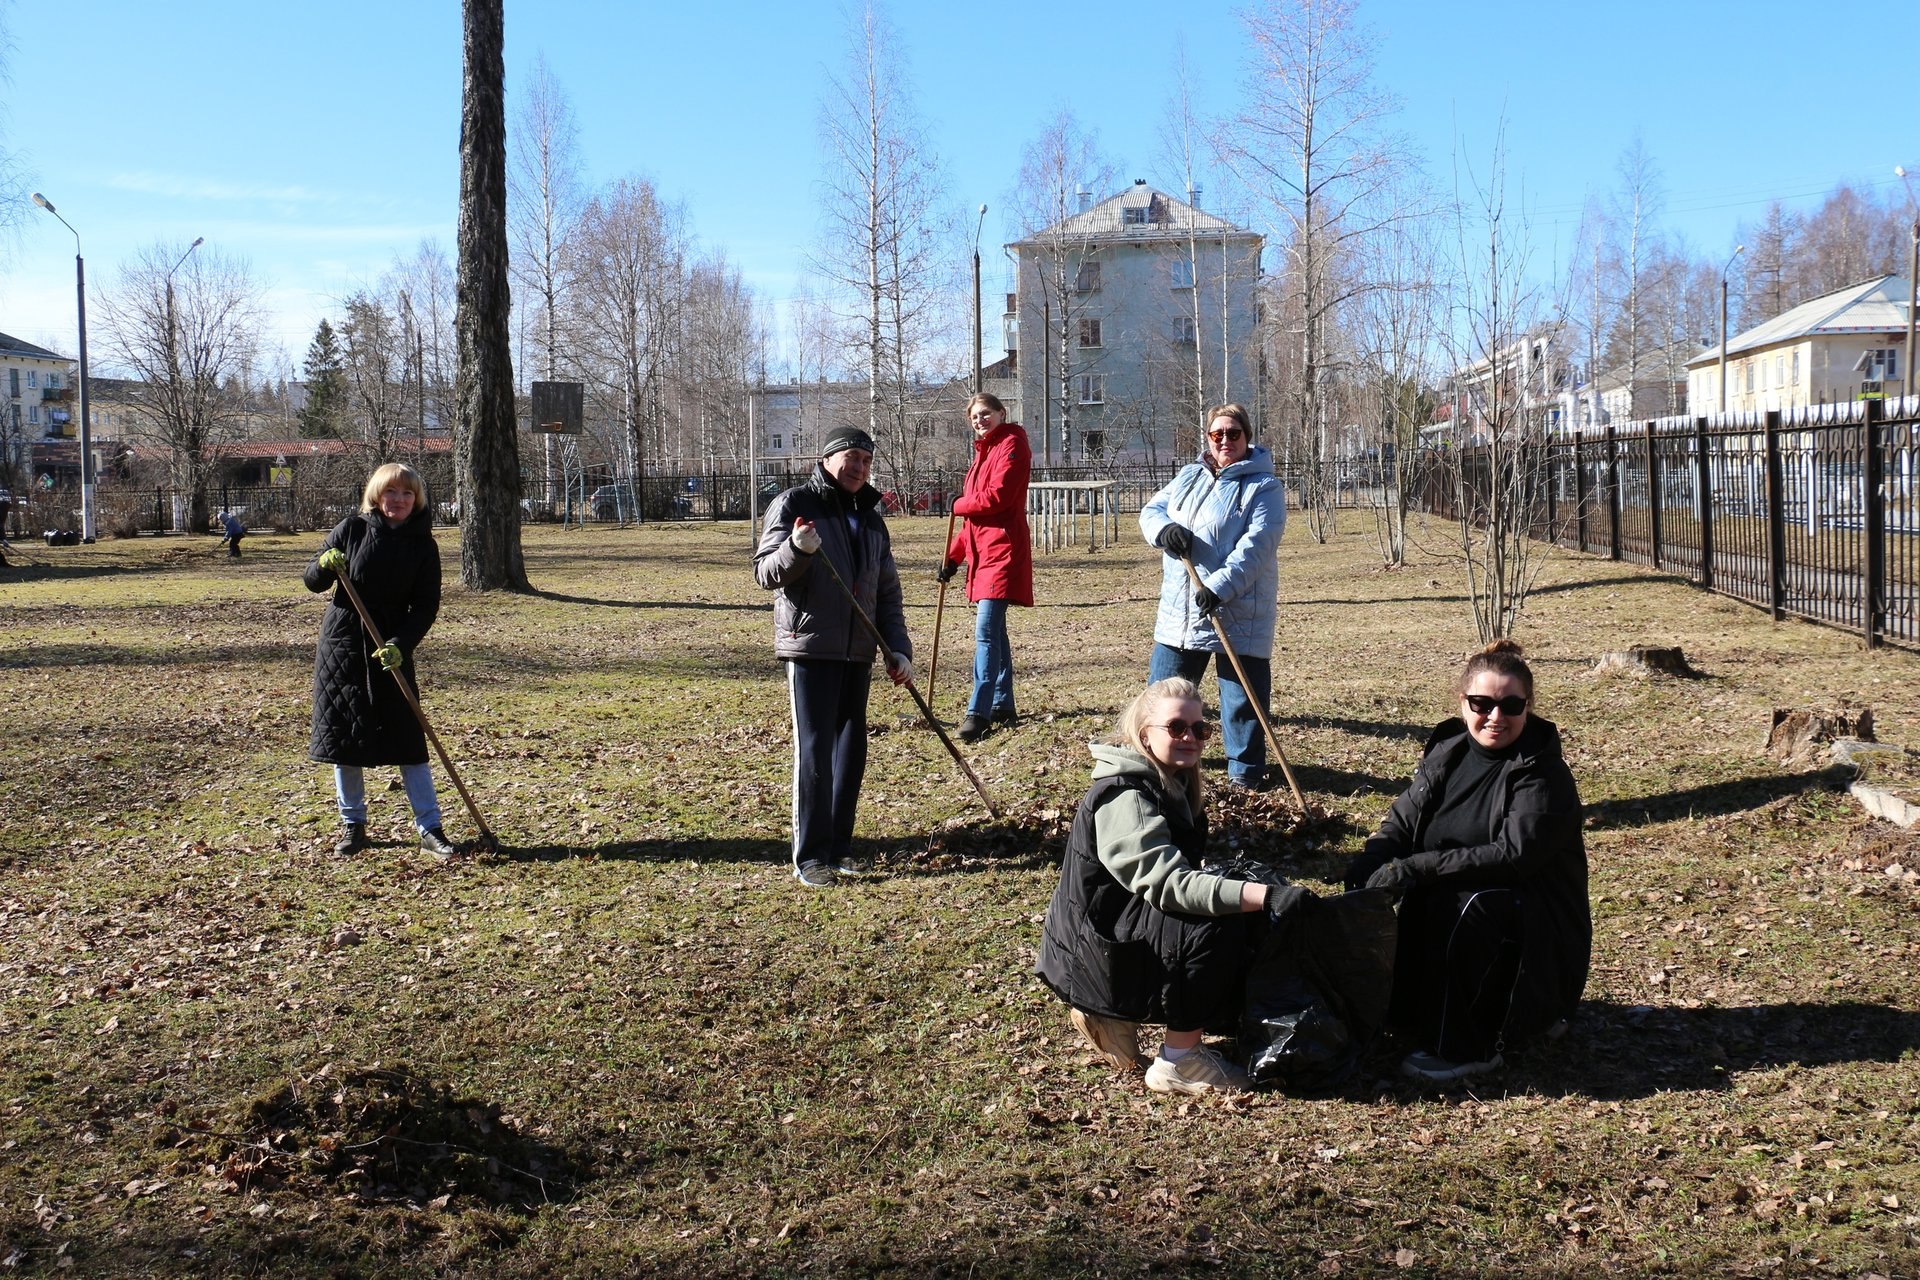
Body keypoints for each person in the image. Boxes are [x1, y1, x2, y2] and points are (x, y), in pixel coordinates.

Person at [1036, 677, 1315, 1095]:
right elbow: (1166, 883)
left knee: (1234, 899)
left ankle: (1115, 1017)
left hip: (1114, 937)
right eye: (1176, 728)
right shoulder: (1126, 795)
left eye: (1200, 729)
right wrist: (1262, 897)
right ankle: (1179, 1061)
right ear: (1144, 733)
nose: (1191, 737)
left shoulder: (1172, 781)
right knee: (1220, 918)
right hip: (1094, 954)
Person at [1343, 640, 1589, 1084]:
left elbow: (1514, 857)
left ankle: (1474, 1046)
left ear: (1528, 707)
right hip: (1448, 897)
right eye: (1483, 703)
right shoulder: (1448, 751)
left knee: (1470, 903)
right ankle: (1409, 1013)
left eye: (1511, 705)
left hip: (1533, 926)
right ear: (1463, 703)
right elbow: (1402, 822)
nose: (1496, 717)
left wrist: (1418, 867)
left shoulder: (1542, 772)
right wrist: (1367, 866)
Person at [754, 425, 915, 889]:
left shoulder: (870, 518)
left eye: (867, 460)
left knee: (851, 751)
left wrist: (898, 647)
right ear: (827, 459)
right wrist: (796, 550)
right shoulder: (795, 505)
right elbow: (765, 573)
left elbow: (887, 591)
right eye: (852, 458)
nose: (860, 468)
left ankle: (841, 847)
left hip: (859, 652)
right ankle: (812, 856)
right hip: (811, 648)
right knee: (816, 751)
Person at [304, 463, 456, 858]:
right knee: (346, 738)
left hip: (390, 649)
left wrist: (401, 644)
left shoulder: (424, 545)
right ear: (377, 495)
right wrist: (323, 564)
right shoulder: (351, 529)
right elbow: (311, 578)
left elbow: (425, 606)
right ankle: (353, 824)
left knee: (408, 737)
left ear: (417, 499)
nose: (399, 501)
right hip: (344, 646)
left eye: (407, 494)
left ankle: (430, 826)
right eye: (391, 493)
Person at [1138, 404, 1286, 791]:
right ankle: (1156, 766)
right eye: (1216, 434)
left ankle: (1246, 776)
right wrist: (1164, 529)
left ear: (1246, 436)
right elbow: (1151, 510)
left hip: (1238, 608)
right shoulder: (1189, 476)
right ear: (1207, 437)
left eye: (1233, 433)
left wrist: (1217, 588)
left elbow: (1256, 548)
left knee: (1242, 701)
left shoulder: (1264, 487)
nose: (1224, 440)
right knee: (1164, 696)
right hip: (1181, 609)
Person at [938, 392, 1032, 742]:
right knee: (995, 633)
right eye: (975, 416)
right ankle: (1002, 703)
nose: (980, 420)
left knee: (986, 633)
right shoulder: (982, 454)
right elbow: (970, 523)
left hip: (1003, 552)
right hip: (982, 554)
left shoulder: (1012, 444)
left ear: (1001, 413)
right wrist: (952, 557)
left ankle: (978, 712)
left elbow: (999, 497)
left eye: (986, 413)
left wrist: (960, 503)